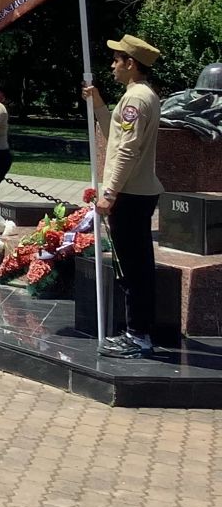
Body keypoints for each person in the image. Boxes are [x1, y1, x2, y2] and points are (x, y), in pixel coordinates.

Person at [85, 35, 165, 360]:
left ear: (131, 64)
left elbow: (127, 151)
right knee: (136, 266)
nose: (112, 65)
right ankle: (138, 332)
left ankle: (138, 336)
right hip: (135, 194)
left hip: (130, 195)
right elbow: (115, 134)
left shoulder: (137, 100)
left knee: (133, 269)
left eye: (117, 60)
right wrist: (100, 104)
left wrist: (110, 193)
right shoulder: (135, 96)